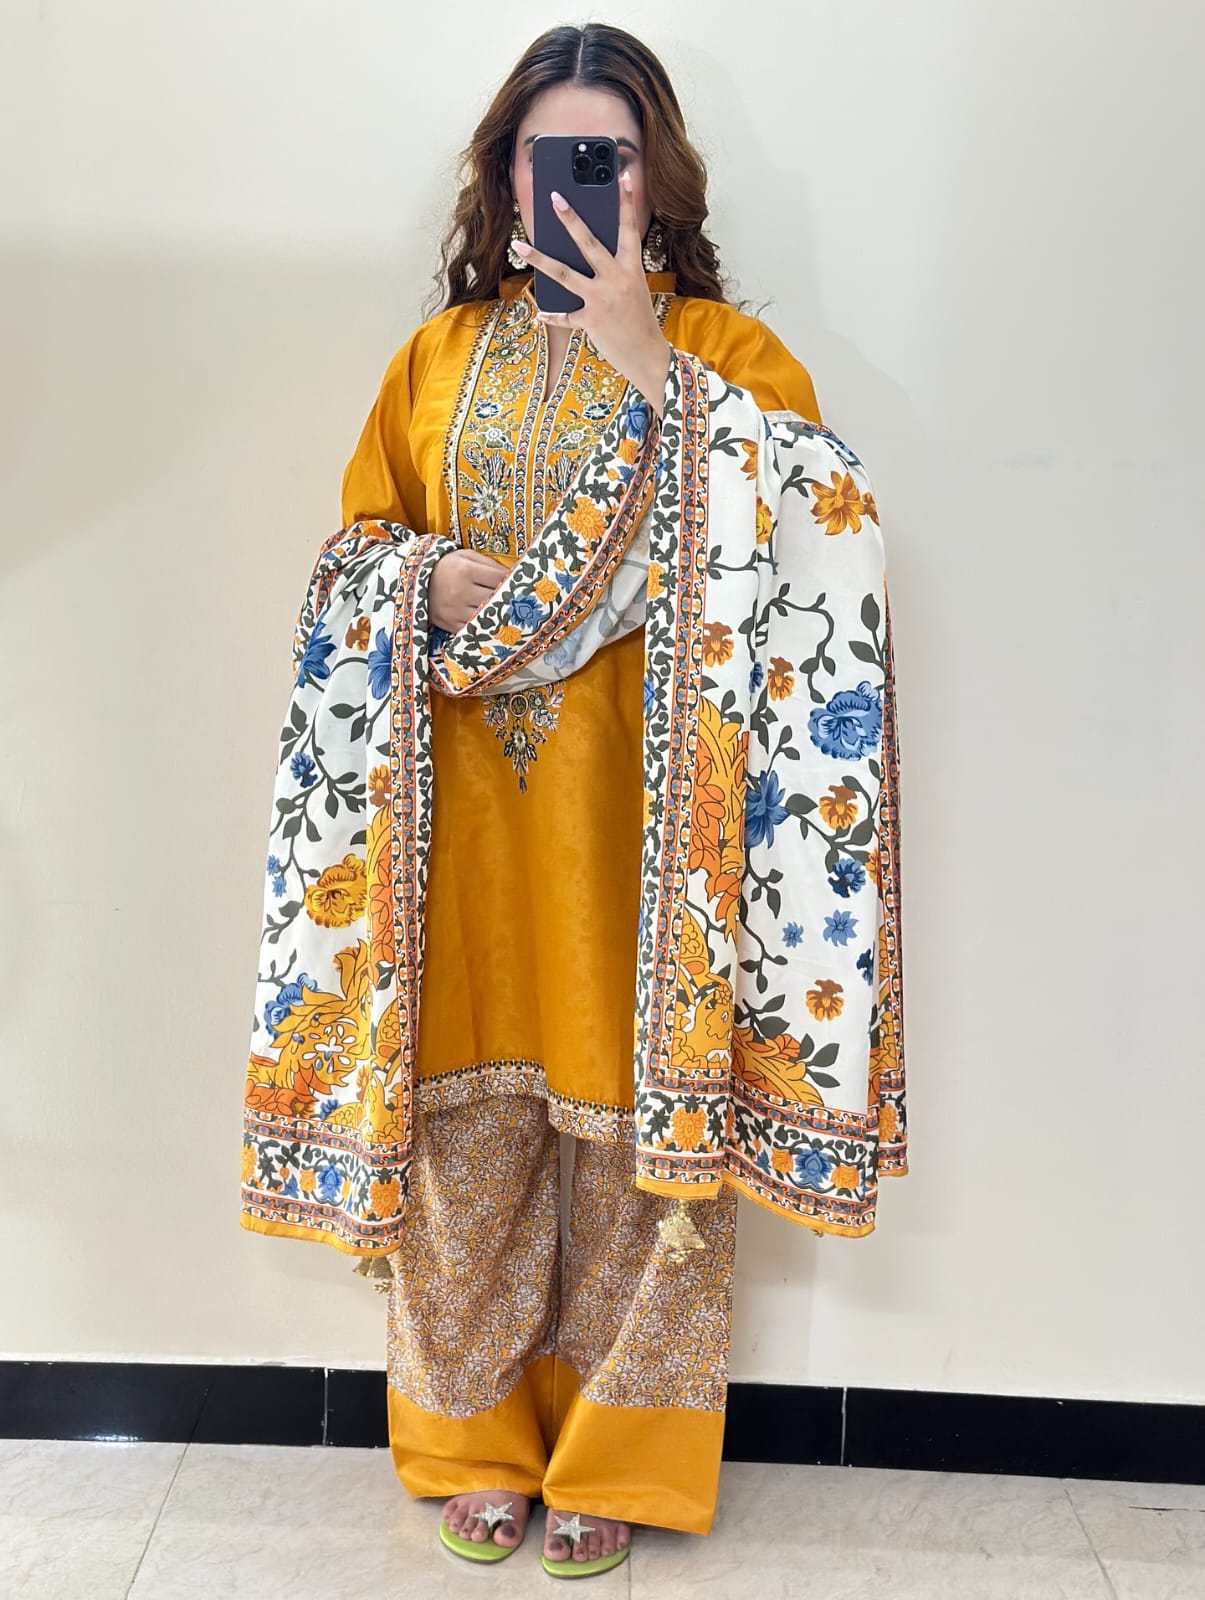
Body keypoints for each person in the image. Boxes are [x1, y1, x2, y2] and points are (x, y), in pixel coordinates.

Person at [241, 20, 906, 1581]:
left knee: (640, 1164)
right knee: (461, 1148)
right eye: (552, 157)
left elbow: (819, 526)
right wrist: (417, 580)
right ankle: (469, 1445)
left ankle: (617, 1465)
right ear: (504, 178)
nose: (583, 184)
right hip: (459, 836)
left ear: (657, 180)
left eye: (610, 156)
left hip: (652, 852)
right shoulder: (434, 362)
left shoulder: (726, 363)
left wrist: (643, 361)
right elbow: (350, 554)